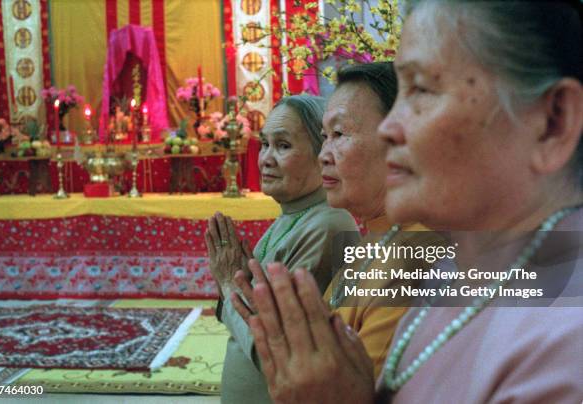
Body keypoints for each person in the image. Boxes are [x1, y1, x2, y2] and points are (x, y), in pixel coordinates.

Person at [242, 1, 583, 403]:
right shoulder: (457, 273)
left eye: (421, 89)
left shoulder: (563, 346)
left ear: (552, 121)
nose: (388, 128)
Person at [231, 62, 441, 378]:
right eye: (324, 136)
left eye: (339, 134)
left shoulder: (410, 258)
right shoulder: (376, 239)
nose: (323, 155)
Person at [204, 94, 359, 404]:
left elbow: (279, 352)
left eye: (283, 146)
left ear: (323, 154)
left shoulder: (327, 227)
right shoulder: (293, 217)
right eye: (264, 144)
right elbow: (257, 318)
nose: (266, 159)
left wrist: (228, 288)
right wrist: (238, 290)